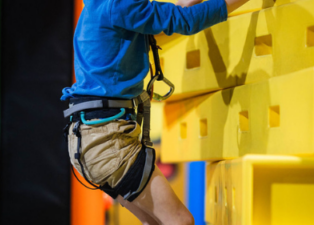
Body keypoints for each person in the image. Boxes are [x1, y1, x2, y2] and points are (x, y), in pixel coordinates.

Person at [62, 0, 248, 224]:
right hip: (107, 142)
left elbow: (167, 17)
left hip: (91, 141)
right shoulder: (120, 4)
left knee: (156, 222)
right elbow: (184, 20)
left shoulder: (103, 5)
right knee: (180, 221)